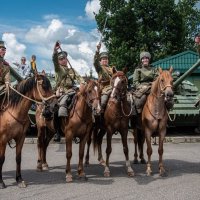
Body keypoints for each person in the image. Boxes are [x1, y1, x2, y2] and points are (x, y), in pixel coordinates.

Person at [52, 41, 84, 142]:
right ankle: (57, 132)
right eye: (61, 59)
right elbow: (54, 61)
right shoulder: (58, 69)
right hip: (62, 91)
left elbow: (79, 78)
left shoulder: (72, 70)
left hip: (73, 90)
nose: (63, 60)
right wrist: (55, 51)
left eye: (65, 58)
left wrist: (83, 84)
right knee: (57, 108)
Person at [93, 43, 114, 114]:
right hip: (104, 88)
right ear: (100, 61)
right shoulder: (99, 68)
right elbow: (95, 62)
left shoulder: (112, 69)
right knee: (104, 100)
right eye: (103, 59)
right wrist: (97, 50)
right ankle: (100, 115)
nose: (105, 60)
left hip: (114, 87)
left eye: (106, 59)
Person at [0, 41, 10, 110]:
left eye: (5, 50)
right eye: (2, 50)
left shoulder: (6, 65)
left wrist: (7, 83)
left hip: (1, 86)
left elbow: (7, 76)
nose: (4, 52)